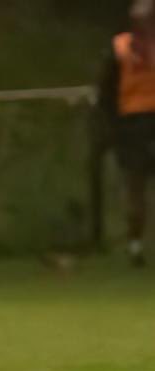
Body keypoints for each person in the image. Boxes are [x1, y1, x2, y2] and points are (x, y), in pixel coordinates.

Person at [98, 0, 155, 267]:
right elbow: (106, 89)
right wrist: (112, 125)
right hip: (133, 123)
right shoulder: (120, 47)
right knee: (135, 185)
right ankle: (135, 245)